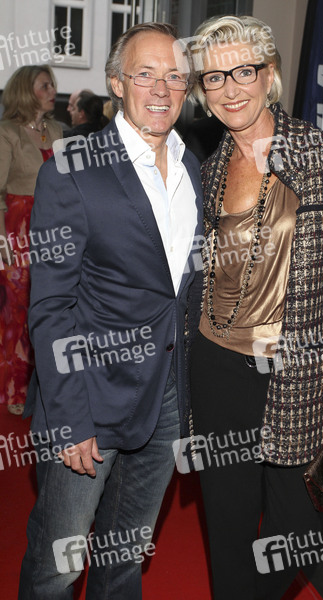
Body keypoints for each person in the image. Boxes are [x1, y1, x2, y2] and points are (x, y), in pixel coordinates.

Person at [188, 15, 323, 600]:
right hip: (215, 366)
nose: (230, 89)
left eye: (243, 71)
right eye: (214, 77)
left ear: (270, 73)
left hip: (297, 372)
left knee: (297, 534)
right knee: (227, 527)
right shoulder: (209, 168)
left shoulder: (319, 153)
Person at [18, 22, 203, 600]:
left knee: (126, 556)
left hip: (167, 399)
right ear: (117, 83)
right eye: (145, 74)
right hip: (90, 400)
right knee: (59, 566)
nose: (161, 89)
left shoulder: (194, 167)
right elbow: (50, 307)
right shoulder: (69, 169)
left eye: (175, 76)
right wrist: (71, 419)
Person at [0, 65, 62, 416]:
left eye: (52, 84)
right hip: (16, 230)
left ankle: (44, 390)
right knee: (17, 312)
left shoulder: (57, 130)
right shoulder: (6, 132)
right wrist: (2, 243)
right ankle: (14, 390)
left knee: (48, 311)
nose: (53, 90)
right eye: (44, 85)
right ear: (26, 91)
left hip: (54, 228)